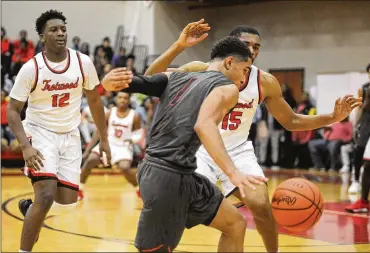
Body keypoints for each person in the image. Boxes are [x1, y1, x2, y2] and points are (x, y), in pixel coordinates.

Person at [144, 20, 363, 253]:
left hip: (238, 151)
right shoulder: (202, 69)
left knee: (261, 206)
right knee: (186, 209)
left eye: (257, 46)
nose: (252, 50)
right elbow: (150, 77)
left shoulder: (264, 82)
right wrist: (179, 45)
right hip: (199, 150)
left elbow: (291, 121)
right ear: (231, 46)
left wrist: (332, 117)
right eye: (246, 44)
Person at [102, 33, 269, 252]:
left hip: (181, 175)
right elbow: (204, 126)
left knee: (235, 224)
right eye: (244, 70)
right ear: (229, 62)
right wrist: (234, 173)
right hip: (166, 176)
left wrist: (107, 82)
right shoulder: (228, 89)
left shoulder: (176, 77)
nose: (244, 78)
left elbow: (142, 80)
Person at [6, 10, 110, 252]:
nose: (60, 33)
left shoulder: (83, 62)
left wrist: (103, 140)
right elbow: (13, 110)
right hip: (40, 133)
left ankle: (29, 210)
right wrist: (26, 146)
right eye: (54, 30)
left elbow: (95, 102)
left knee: (66, 200)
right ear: (43, 36)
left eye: (63, 29)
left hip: (70, 135)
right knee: (45, 196)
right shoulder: (31, 68)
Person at [78, 92, 142, 200]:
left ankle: (139, 189)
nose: (122, 100)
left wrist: (132, 139)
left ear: (129, 100)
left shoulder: (134, 115)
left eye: (125, 98)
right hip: (109, 143)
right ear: (116, 99)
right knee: (90, 160)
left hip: (123, 146)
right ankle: (79, 188)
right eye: (120, 97)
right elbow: (99, 131)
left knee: (125, 167)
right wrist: (88, 149)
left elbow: (139, 133)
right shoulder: (110, 113)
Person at [346, 68, 370, 212]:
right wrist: (355, 126)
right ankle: (362, 200)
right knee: (365, 164)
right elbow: (361, 108)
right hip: (366, 125)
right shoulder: (365, 88)